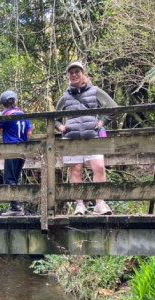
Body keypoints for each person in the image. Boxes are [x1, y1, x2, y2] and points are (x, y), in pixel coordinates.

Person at [55, 61, 118, 216]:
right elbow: (54, 118)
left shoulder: (95, 91)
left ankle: (99, 204)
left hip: (92, 137)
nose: (74, 75)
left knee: (99, 167)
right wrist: (60, 127)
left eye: (77, 71)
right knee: (76, 171)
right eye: (71, 73)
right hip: (72, 138)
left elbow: (114, 109)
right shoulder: (65, 96)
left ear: (83, 73)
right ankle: (79, 205)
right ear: (68, 76)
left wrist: (102, 122)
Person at [0, 90, 32, 216]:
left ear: (3, 104)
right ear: (15, 101)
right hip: (23, 150)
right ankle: (17, 206)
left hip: (11, 149)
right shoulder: (23, 115)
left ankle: (16, 208)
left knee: (9, 178)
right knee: (15, 178)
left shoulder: (6, 114)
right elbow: (29, 133)